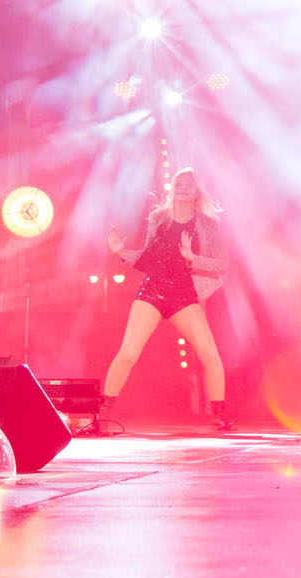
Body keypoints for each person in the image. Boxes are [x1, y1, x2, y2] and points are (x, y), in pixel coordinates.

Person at [85, 167, 232, 434]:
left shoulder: (208, 225)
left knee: (210, 354)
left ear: (197, 191)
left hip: (184, 294)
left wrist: (192, 259)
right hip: (153, 290)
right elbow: (150, 258)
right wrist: (122, 253)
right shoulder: (159, 218)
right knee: (128, 352)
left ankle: (220, 416)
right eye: (178, 182)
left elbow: (222, 265)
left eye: (188, 183)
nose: (182, 187)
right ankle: (102, 416)